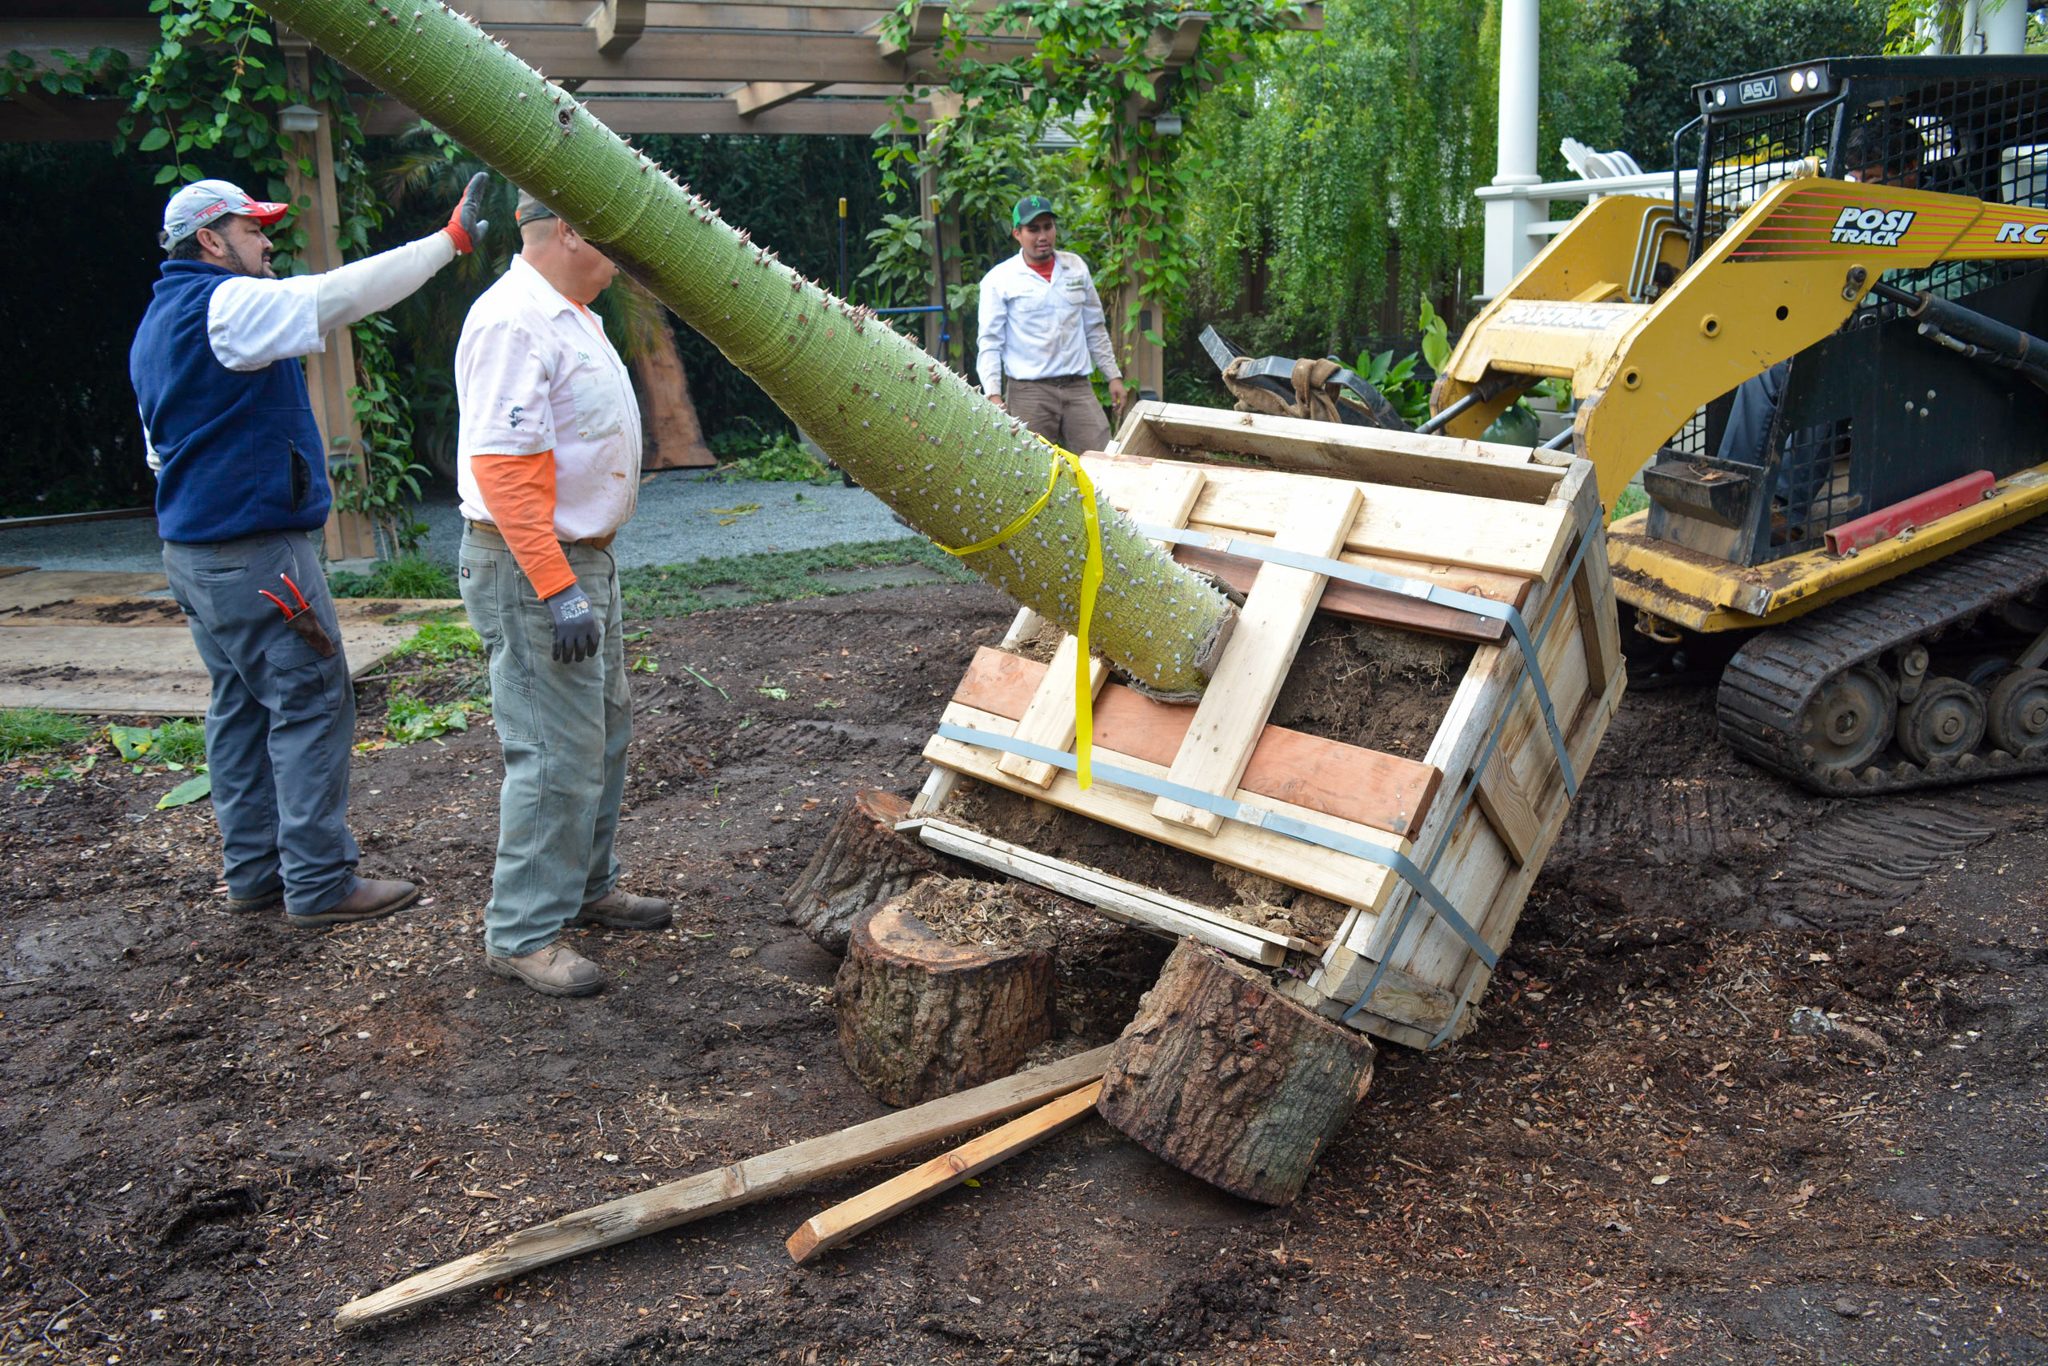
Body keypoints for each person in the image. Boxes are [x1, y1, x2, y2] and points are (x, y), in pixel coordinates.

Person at [133, 173, 489, 928]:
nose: (266, 242)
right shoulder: (223, 304)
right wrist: (446, 243)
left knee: (239, 708)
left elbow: (160, 454)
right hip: (257, 556)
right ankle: (321, 882)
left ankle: (255, 874)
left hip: (195, 558)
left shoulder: (156, 325)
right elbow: (336, 296)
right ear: (209, 239)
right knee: (312, 699)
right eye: (253, 230)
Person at [453, 189, 671, 999]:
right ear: (570, 230)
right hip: (533, 567)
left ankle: (585, 886)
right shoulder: (515, 319)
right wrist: (556, 588)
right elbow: (503, 469)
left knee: (603, 731)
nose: (620, 248)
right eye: (607, 229)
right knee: (552, 752)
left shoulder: (569, 311)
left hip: (582, 562)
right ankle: (520, 933)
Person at [975, 193, 1128, 453]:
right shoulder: (999, 279)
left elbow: (1094, 327)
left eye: (1048, 227)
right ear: (1017, 234)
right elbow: (990, 341)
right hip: (1029, 393)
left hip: (1079, 388)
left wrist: (1113, 376)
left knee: (1101, 460)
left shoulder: (1076, 267)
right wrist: (993, 394)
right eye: (1033, 229)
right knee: (1029, 470)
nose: (1042, 236)